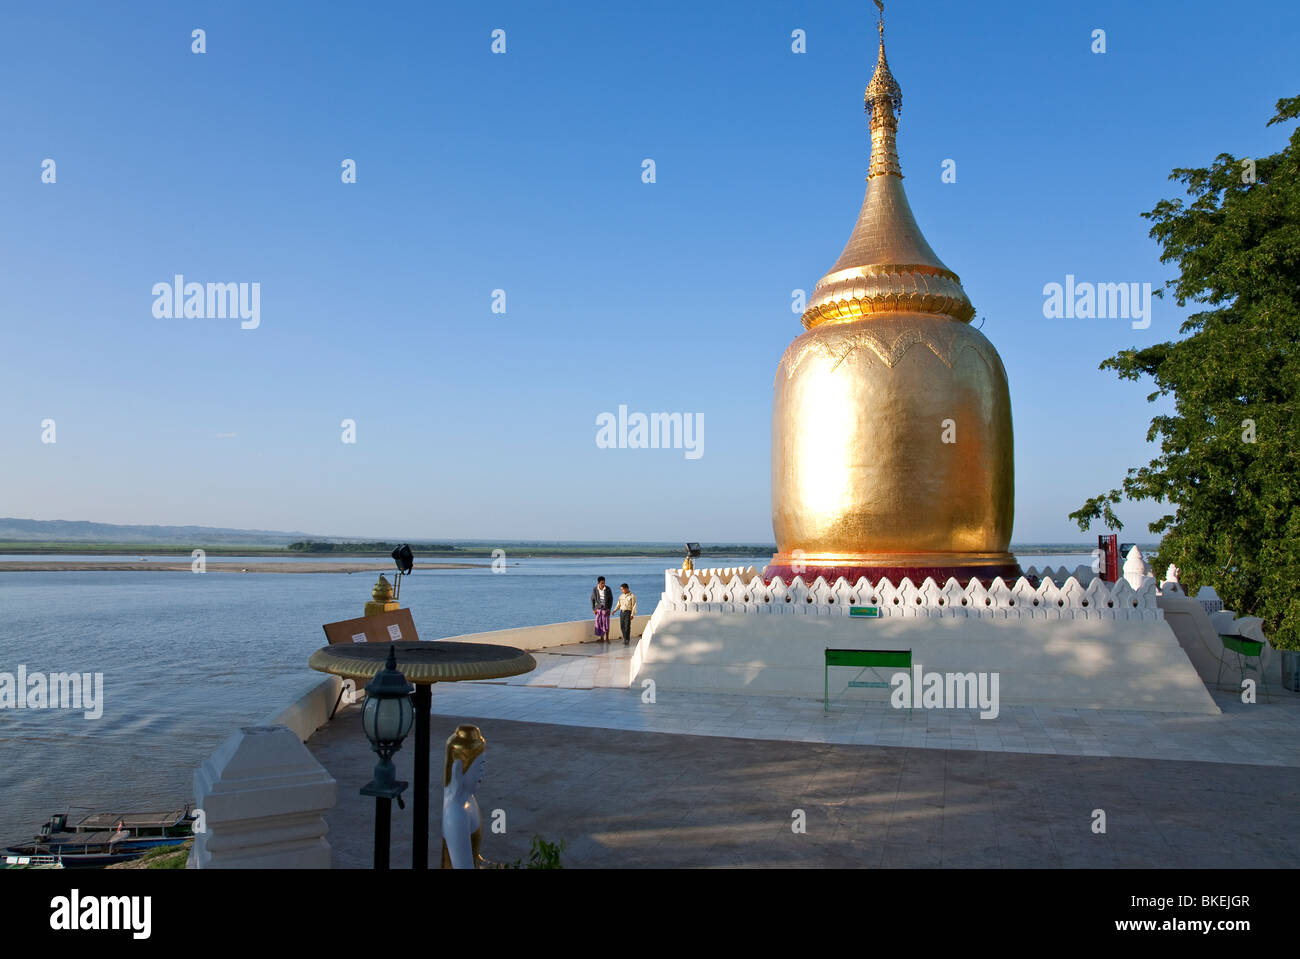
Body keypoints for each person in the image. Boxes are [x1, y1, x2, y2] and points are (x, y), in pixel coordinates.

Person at [590, 576, 614, 642]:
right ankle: (601, 638)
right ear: (598, 583)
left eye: (604, 583)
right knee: (599, 623)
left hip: (606, 609)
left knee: (606, 624)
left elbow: (611, 599)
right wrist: (593, 609)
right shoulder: (595, 589)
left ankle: (607, 638)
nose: (603, 584)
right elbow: (592, 599)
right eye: (602, 583)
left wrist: (609, 608)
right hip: (598, 609)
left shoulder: (608, 589)